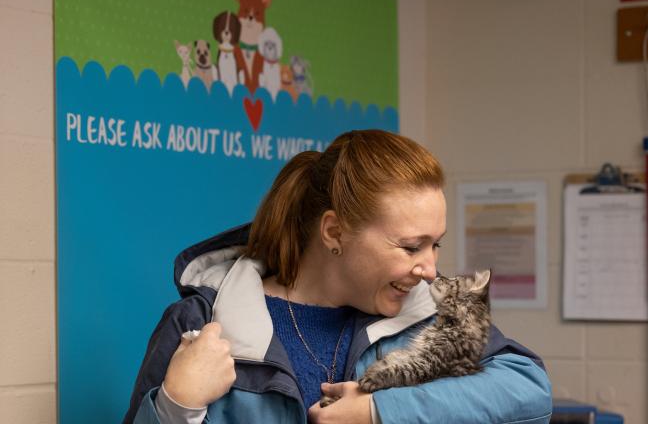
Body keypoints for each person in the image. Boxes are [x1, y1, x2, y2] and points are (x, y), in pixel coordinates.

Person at [124, 130, 552, 423]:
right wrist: (175, 406)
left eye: (434, 244)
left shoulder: (428, 317)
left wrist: (381, 412)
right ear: (334, 232)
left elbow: (530, 390)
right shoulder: (200, 322)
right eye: (410, 246)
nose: (430, 269)